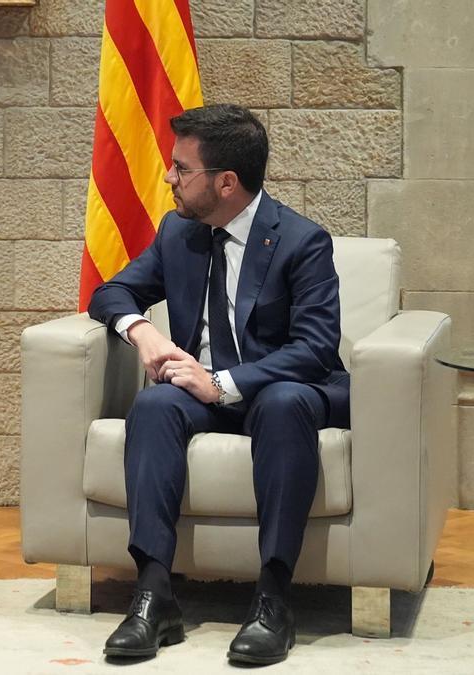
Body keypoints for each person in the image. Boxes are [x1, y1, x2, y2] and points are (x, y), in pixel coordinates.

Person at [88, 103, 349, 666]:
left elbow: (315, 349)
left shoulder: (303, 241)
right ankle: (155, 597)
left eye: (181, 168)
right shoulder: (178, 232)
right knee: (156, 404)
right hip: (199, 392)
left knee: (283, 403)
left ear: (226, 182)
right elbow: (109, 293)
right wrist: (142, 334)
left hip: (279, 389)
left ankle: (273, 598)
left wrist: (222, 383)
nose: (169, 177)